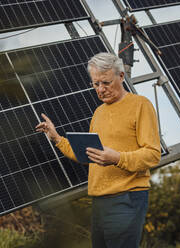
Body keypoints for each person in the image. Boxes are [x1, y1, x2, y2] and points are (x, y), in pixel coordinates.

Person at [35, 52, 161, 248]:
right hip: (99, 200)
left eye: (106, 83)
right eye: (96, 84)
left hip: (126, 198)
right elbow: (87, 155)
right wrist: (57, 138)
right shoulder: (99, 112)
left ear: (120, 76)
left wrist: (117, 158)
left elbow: (153, 154)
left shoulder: (140, 105)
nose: (101, 89)